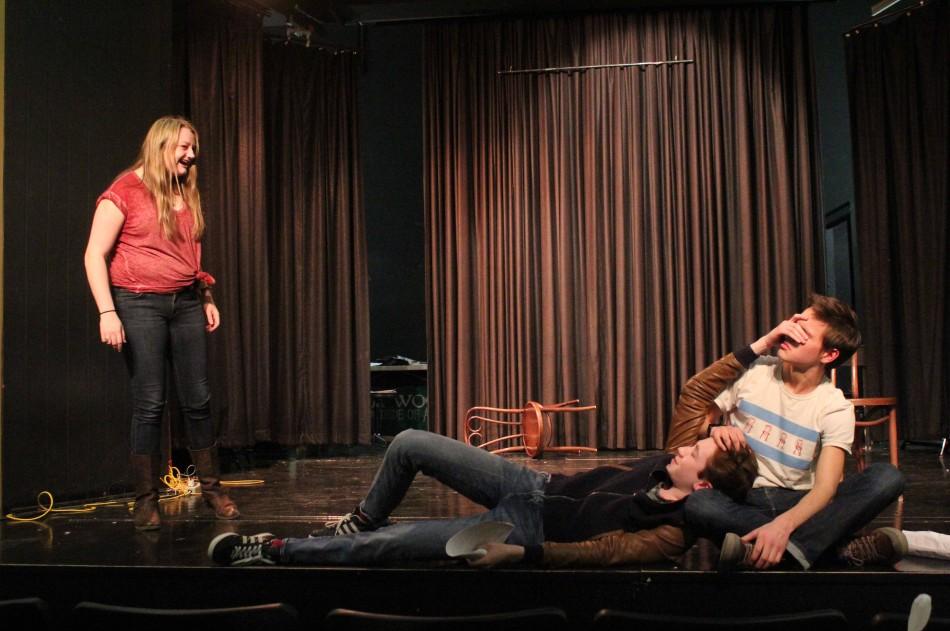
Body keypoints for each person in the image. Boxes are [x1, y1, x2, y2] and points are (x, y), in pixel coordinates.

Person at [208, 347, 759, 567]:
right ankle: (364, 512)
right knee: (408, 443)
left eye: (698, 448)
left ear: (705, 485)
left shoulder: (670, 531)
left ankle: (276, 552)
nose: (687, 443)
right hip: (531, 484)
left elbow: (602, 554)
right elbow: (695, 392)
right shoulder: (670, 462)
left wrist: (520, 556)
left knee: (391, 546)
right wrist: (760, 346)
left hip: (520, 530)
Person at [84, 116, 239, 530]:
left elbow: (189, 252)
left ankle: (212, 490)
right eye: (183, 148)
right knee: (150, 403)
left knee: (198, 399)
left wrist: (205, 294)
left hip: (185, 303)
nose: (191, 156)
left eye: (192, 149)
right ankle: (145, 499)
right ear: (161, 146)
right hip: (138, 305)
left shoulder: (183, 191)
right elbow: (94, 254)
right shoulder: (124, 191)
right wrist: (107, 311)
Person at [685, 294, 905, 570]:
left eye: (803, 333)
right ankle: (835, 550)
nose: (789, 333)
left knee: (887, 477)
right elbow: (699, 417)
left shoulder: (834, 405)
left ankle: (763, 550)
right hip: (742, 496)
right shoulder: (755, 370)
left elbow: (825, 488)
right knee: (700, 505)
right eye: (793, 323)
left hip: (800, 502)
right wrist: (714, 430)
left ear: (829, 354)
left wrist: (783, 526)